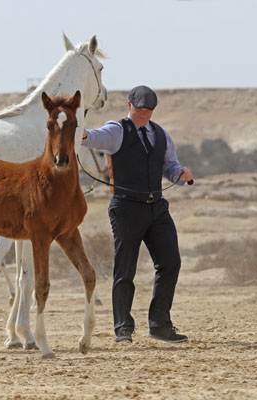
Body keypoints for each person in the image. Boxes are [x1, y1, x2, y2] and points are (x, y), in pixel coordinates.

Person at [81, 85, 193, 343]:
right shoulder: (117, 130)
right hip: (126, 208)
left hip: (157, 207)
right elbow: (92, 138)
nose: (144, 114)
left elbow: (169, 166)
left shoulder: (161, 134)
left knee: (171, 262)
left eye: (148, 110)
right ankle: (123, 328)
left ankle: (160, 325)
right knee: (125, 269)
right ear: (129, 106)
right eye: (140, 109)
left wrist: (180, 174)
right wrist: (80, 133)